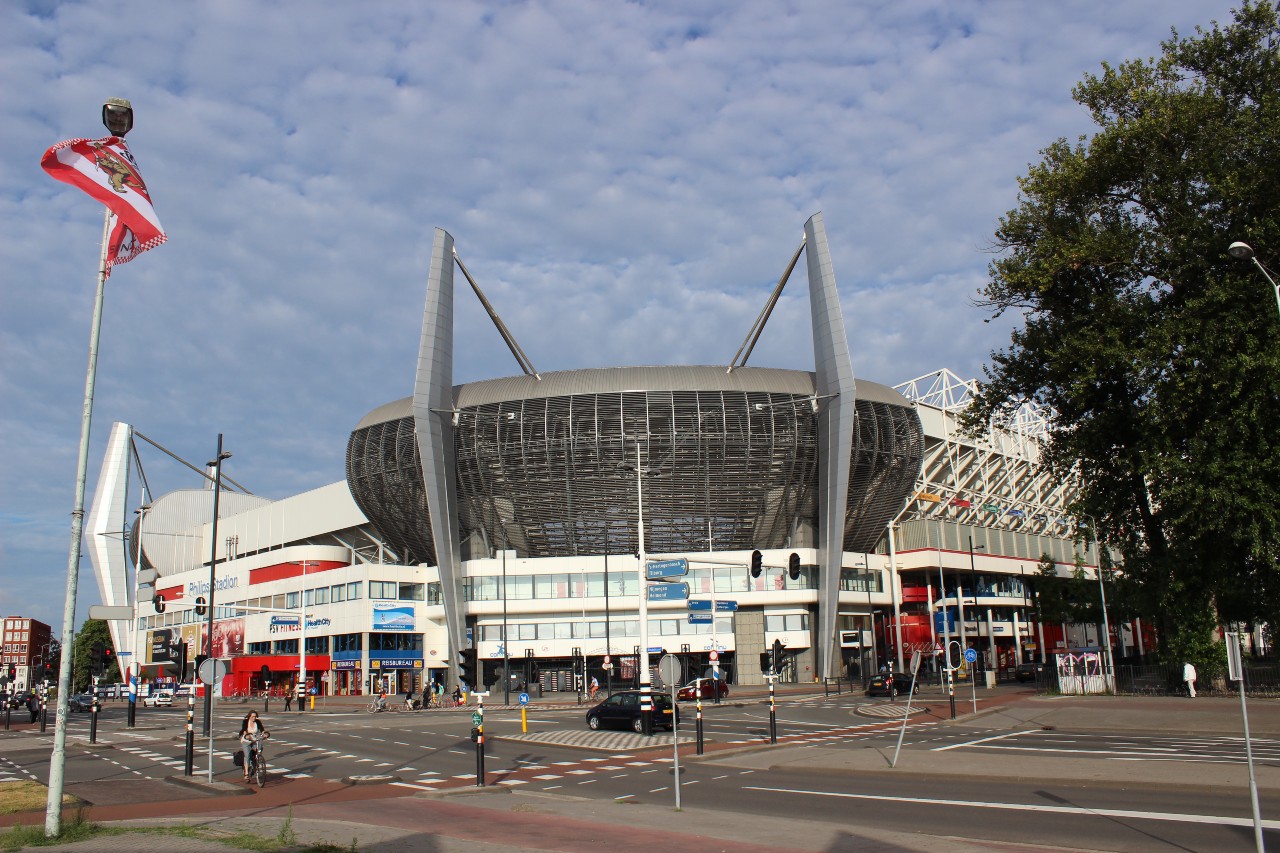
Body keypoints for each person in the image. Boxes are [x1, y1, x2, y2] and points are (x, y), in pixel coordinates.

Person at [238, 711, 269, 781]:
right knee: (247, 755)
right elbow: (244, 730)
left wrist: (264, 734)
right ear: (249, 716)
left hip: (255, 739)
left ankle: (257, 761)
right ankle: (246, 773)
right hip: (246, 740)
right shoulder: (245, 722)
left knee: (259, 750)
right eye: (252, 716)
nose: (254, 718)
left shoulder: (257, 722)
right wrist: (246, 735)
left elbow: (262, 729)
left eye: (255, 716)